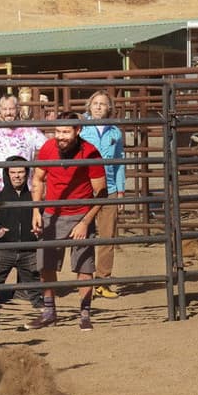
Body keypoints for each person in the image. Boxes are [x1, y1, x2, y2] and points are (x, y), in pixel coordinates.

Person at [27, 112, 107, 331]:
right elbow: (38, 178)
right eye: (58, 131)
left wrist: (85, 222)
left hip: (81, 213)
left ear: (77, 131)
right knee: (46, 264)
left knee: (84, 266)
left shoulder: (90, 152)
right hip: (52, 213)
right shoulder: (48, 148)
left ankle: (84, 314)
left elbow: (101, 192)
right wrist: (36, 211)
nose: (60, 136)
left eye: (65, 132)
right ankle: (49, 312)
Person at [79, 91, 126, 299]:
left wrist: (121, 188)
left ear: (109, 108)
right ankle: (85, 281)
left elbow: (119, 162)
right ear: (90, 107)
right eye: (95, 103)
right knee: (84, 235)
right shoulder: (80, 130)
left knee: (108, 236)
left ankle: (103, 280)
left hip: (109, 189)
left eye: (103, 104)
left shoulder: (115, 132)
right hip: (85, 189)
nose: (98, 107)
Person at [0, 156, 43, 309]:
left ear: (27, 173)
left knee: (33, 281)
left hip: (29, 249)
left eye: (21, 172)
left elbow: (42, 215)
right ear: (7, 174)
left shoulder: (35, 197)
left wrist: (39, 229)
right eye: (13, 172)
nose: (17, 176)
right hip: (4, 248)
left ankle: (38, 303)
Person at [0, 94, 47, 193]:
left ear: (18, 109)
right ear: (0, 110)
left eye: (11, 109)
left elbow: (48, 147)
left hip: (24, 188)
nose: (8, 113)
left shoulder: (30, 130)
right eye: (5, 109)